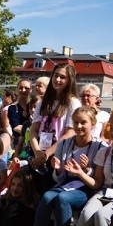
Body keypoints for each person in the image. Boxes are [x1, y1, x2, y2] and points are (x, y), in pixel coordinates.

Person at [26, 106, 105, 226]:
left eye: (84, 122)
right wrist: (58, 169)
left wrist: (86, 169)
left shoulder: (100, 147)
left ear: (93, 124)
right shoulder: (66, 144)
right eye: (76, 123)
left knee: (63, 199)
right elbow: (60, 178)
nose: (79, 126)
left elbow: (98, 180)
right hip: (66, 185)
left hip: (86, 188)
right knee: (47, 196)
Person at [28, 62, 80, 192]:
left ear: (69, 81)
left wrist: (46, 155)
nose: (57, 80)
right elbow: (34, 130)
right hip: (38, 154)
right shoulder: (43, 101)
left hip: (56, 156)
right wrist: (37, 152)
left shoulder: (73, 103)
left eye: (62, 77)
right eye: (55, 75)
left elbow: (69, 133)